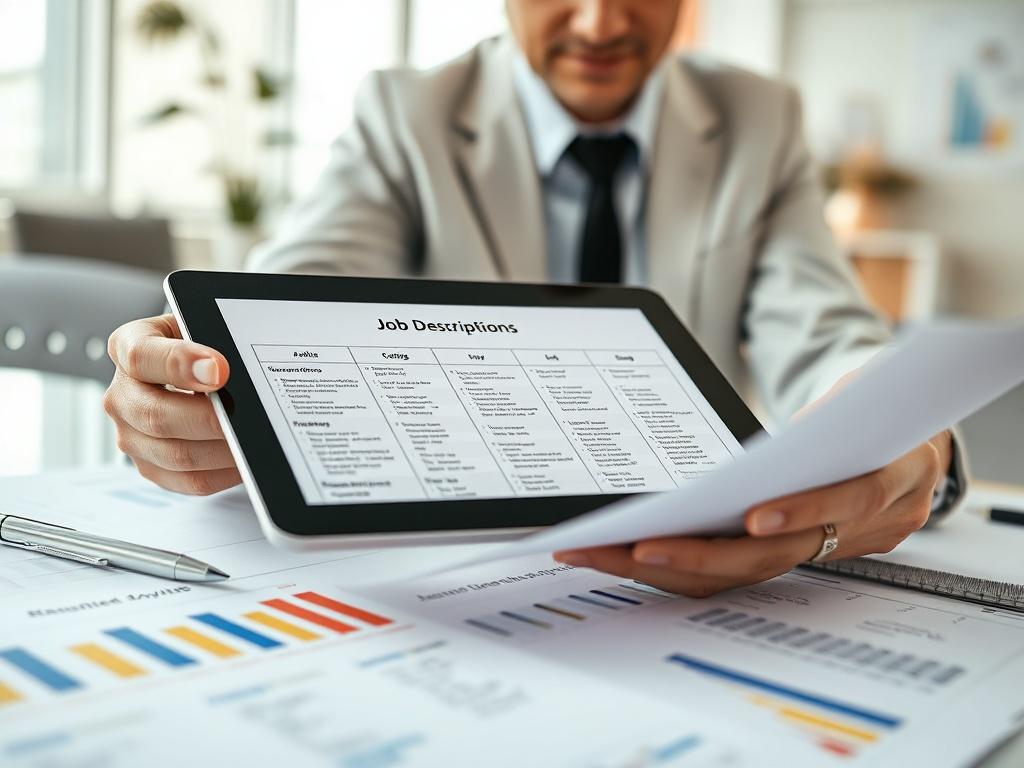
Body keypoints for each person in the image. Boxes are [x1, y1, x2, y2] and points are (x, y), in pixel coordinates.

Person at [103, 0, 965, 597]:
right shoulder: (406, 113)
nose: (599, 23)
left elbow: (827, 333)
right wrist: (199, 375)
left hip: (685, 579)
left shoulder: (757, 120)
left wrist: (909, 429)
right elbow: (292, 298)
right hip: (458, 583)